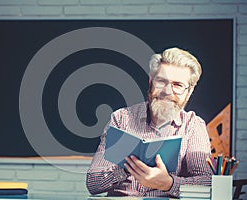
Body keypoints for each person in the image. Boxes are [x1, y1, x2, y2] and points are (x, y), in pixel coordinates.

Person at [86, 47, 213, 198]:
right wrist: (127, 167)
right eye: (161, 81)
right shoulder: (121, 119)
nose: (167, 91)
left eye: (177, 85)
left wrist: (168, 183)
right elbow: (93, 184)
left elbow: (207, 182)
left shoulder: (193, 125)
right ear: (151, 81)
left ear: (189, 91)